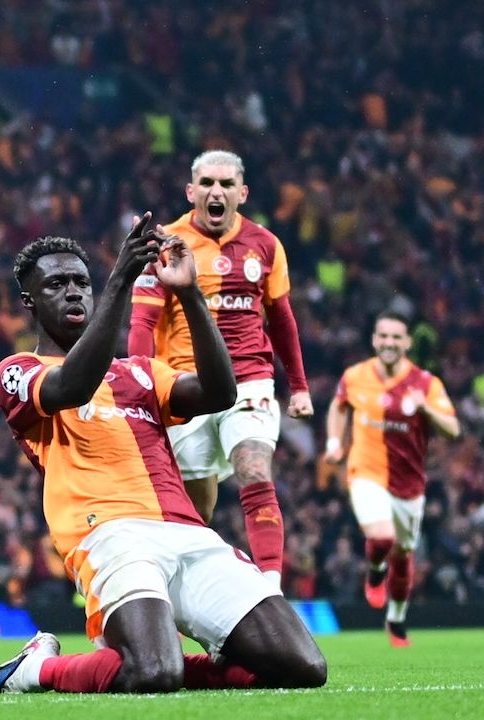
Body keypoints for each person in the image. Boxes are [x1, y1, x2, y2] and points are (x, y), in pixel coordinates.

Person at [0, 217, 325, 694]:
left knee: (303, 667)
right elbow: (74, 385)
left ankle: (163, 655)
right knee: (153, 673)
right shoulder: (17, 371)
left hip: (187, 532)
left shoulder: (139, 372)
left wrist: (189, 295)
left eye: (81, 282)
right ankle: (36, 669)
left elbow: (220, 392)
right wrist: (122, 280)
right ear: (29, 302)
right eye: (56, 285)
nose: (73, 292)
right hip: (109, 536)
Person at [128, 150, 312, 588]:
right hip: (186, 386)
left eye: (226, 184)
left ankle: (270, 588)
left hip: (250, 381)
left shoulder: (265, 244)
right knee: (197, 511)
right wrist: (141, 384)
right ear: (191, 191)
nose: (217, 191)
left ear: (241, 193)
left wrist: (299, 386)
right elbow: (142, 323)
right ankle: (183, 599)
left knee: (254, 467)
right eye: (208, 183)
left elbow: (282, 320)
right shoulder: (167, 243)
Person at [324, 311, 460, 647]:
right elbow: (339, 406)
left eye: (396, 337)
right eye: (383, 336)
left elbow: (453, 430)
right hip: (365, 471)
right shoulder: (355, 376)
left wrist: (425, 409)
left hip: (408, 485)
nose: (389, 342)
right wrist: (334, 442)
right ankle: (375, 569)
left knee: (403, 556)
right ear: (374, 339)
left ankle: (396, 618)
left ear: (407, 342)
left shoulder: (426, 383)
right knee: (382, 537)